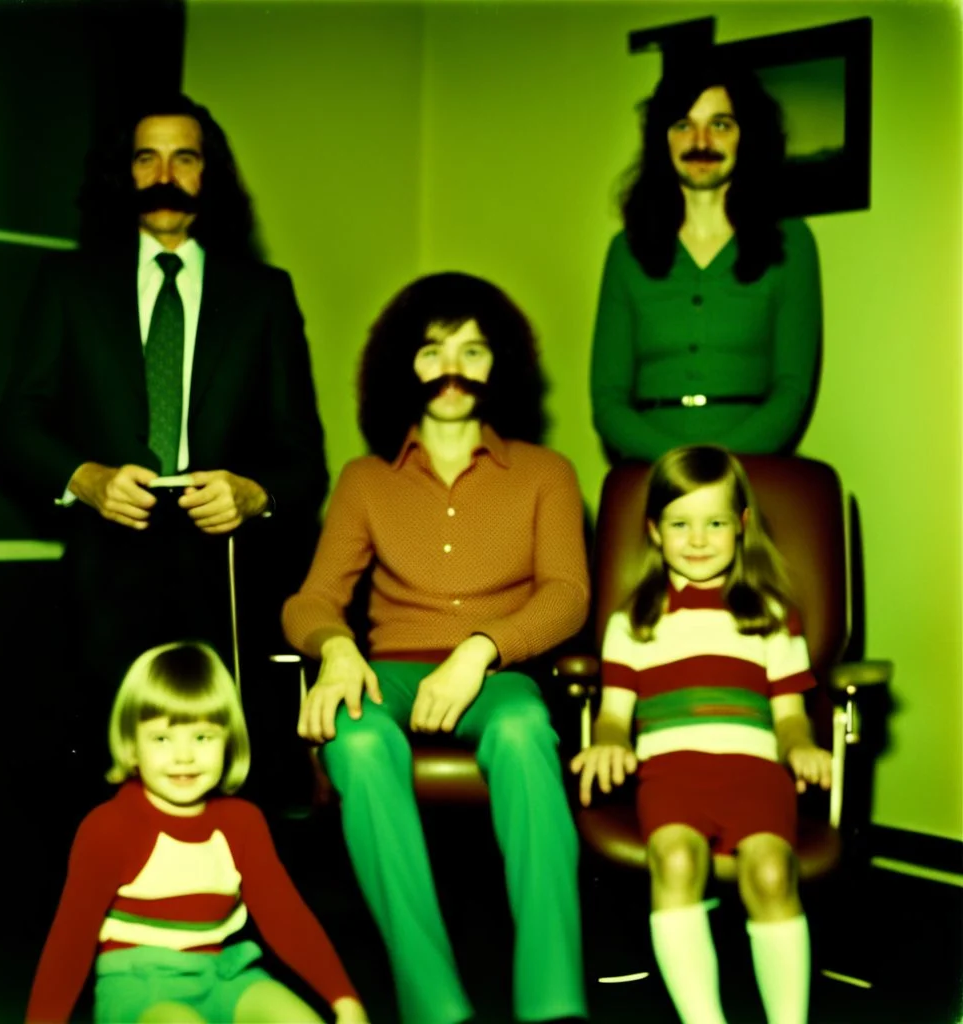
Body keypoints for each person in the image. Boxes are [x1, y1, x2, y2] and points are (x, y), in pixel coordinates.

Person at [282, 273, 590, 1024]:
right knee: (355, 746)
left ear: (501, 365)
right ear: (402, 366)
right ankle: (434, 1004)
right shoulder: (363, 481)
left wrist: (480, 649)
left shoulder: (548, 473)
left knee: (522, 732)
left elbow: (568, 594)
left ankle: (554, 1002)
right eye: (432, 351)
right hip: (385, 669)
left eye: (474, 350)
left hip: (498, 674)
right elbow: (312, 598)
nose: (453, 368)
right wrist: (338, 652)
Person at [0, 94, 327, 770]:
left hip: (226, 575)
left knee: (225, 772)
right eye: (147, 157)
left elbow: (305, 462)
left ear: (210, 174)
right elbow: (15, 426)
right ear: (126, 173)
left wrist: (252, 494)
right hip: (102, 571)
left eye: (185, 156)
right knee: (101, 772)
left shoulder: (265, 294)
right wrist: (85, 480)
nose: (164, 172)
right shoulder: (68, 283)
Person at [571, 445, 831, 1024]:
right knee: (676, 860)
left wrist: (803, 748)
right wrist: (610, 739)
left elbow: (789, 717)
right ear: (654, 532)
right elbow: (615, 713)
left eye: (714, 523)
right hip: (671, 774)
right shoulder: (633, 622)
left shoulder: (768, 613)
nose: (697, 538)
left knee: (770, 871)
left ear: (741, 527)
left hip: (754, 774)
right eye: (680, 523)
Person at [26, 641, 368, 1024]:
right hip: (140, 987)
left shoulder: (242, 822)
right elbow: (69, 943)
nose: (184, 756)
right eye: (161, 739)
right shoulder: (109, 827)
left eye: (202, 737)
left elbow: (286, 917)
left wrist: (344, 999)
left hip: (227, 975)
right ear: (131, 746)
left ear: (228, 740)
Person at [590, 58, 822, 462]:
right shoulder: (624, 251)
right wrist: (676, 465)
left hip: (752, 469)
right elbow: (608, 400)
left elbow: (792, 391)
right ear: (662, 138)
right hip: (653, 473)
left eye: (720, 124)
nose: (701, 141)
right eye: (683, 124)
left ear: (745, 136)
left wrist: (720, 464)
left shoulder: (794, 243)